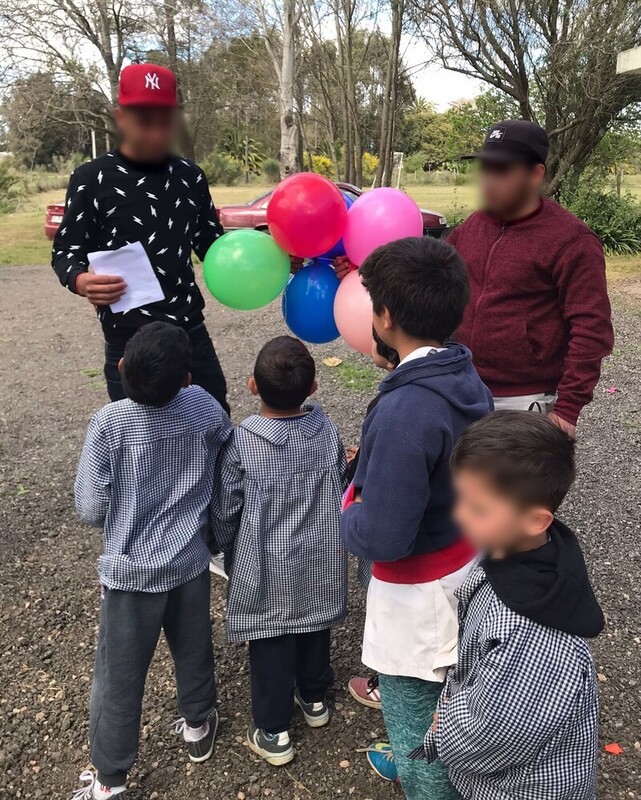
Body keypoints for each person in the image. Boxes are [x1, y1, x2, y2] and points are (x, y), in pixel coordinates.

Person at [340, 237, 493, 799]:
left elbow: (383, 535)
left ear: (384, 316)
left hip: (417, 599)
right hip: (463, 566)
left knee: (416, 734)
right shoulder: (461, 373)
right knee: (451, 710)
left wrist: (347, 511)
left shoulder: (407, 409)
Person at [69, 322, 231, 800]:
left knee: (119, 675)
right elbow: (225, 466)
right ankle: (198, 725)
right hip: (188, 560)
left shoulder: (110, 423)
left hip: (130, 572)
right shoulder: (203, 406)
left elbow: (89, 507)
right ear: (186, 378)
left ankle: (110, 778)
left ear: (121, 369)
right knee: (193, 645)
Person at [413, 411, 603, 799]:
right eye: (460, 498)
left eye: (477, 508)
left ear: (536, 520)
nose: (459, 514)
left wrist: (444, 725)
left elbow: (499, 733)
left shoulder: (530, 630)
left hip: (522, 788)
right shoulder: (518, 552)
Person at [52, 63, 230, 414]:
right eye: (144, 121)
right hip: (128, 343)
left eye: (165, 121)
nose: (156, 133)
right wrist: (80, 280)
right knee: (140, 450)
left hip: (188, 334)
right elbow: (65, 251)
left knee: (215, 427)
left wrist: (275, 257)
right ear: (121, 118)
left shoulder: (191, 177)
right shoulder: (91, 179)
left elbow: (213, 245)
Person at [212, 336, 348, 767]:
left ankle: (273, 731)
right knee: (314, 625)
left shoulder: (243, 442)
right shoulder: (326, 431)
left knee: (270, 635)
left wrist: (223, 545)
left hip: (267, 559)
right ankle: (313, 700)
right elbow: (340, 482)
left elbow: (226, 507)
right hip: (320, 554)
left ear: (252, 385)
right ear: (313, 387)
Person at [449, 119, 614, 437]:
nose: (488, 180)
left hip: (523, 400)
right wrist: (362, 269)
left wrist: (567, 410)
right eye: (485, 168)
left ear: (536, 174)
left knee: (513, 487)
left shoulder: (571, 240)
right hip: (461, 385)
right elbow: (431, 270)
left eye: (502, 170)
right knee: (458, 484)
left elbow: (592, 329)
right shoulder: (474, 225)